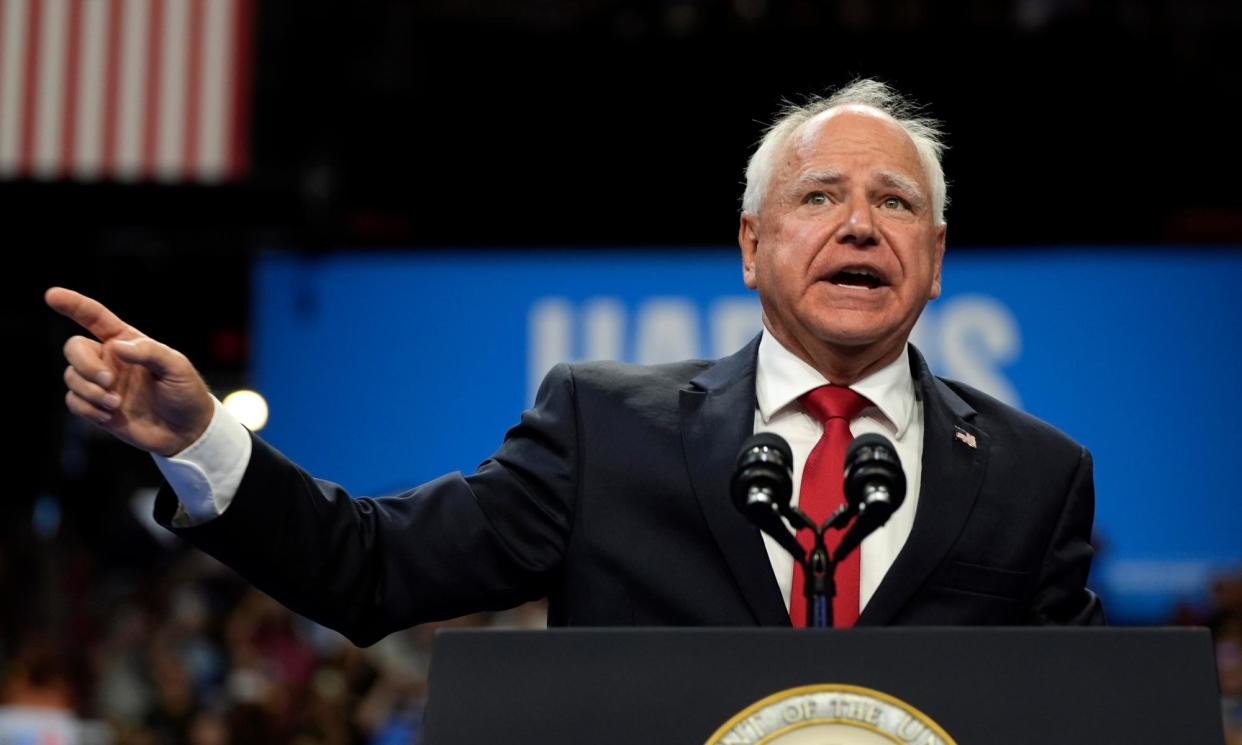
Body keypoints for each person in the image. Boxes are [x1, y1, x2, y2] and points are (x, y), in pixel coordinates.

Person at [47, 79, 1104, 646]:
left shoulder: (1032, 473)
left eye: (896, 204)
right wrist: (200, 440)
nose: (861, 226)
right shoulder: (609, 429)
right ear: (750, 245)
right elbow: (372, 568)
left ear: (934, 265)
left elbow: (1095, 719)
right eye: (820, 197)